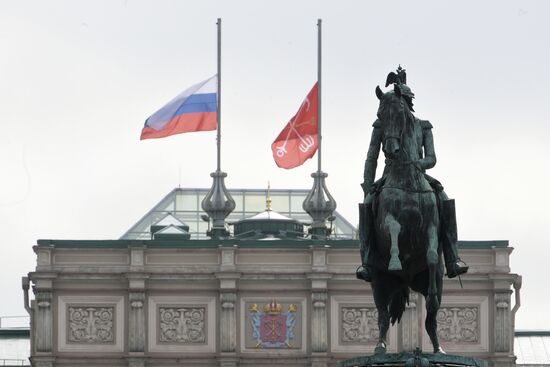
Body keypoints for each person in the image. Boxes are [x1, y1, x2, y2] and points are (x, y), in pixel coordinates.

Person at [356, 66, 468, 282]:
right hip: (390, 177)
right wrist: (368, 184)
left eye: (403, 103)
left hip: (419, 175)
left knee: (444, 201)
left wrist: (418, 163)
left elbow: (432, 158)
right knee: (368, 204)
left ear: (408, 103)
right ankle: (367, 261)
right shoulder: (382, 125)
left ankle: (453, 258)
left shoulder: (423, 127)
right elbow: (372, 157)